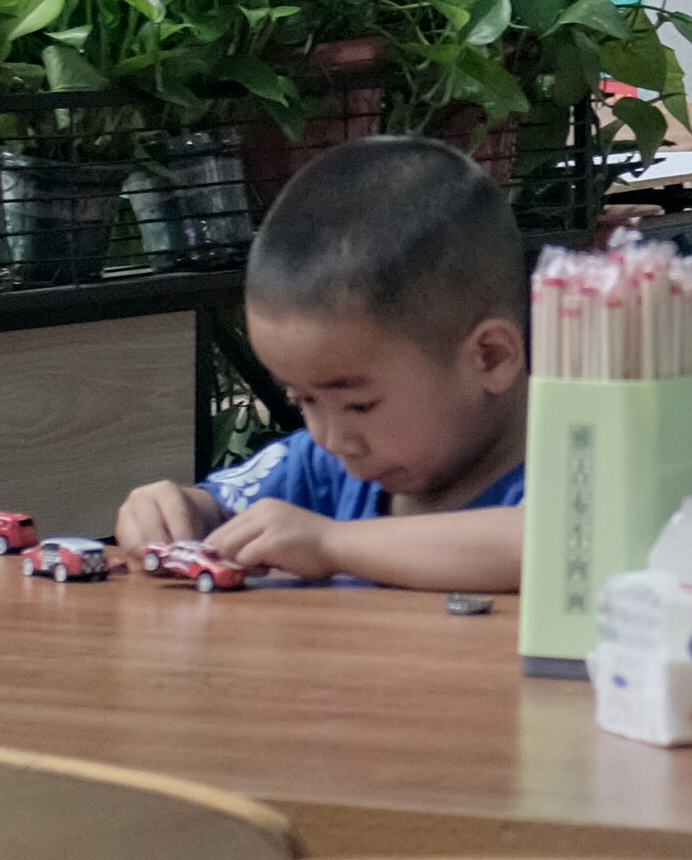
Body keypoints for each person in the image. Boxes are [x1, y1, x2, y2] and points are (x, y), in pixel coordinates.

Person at [117, 134, 530, 595]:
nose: (331, 438)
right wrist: (177, 511)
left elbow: (548, 547)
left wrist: (332, 543)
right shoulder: (320, 468)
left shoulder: (578, 473)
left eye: (359, 405)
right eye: (304, 400)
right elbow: (217, 507)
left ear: (489, 358)